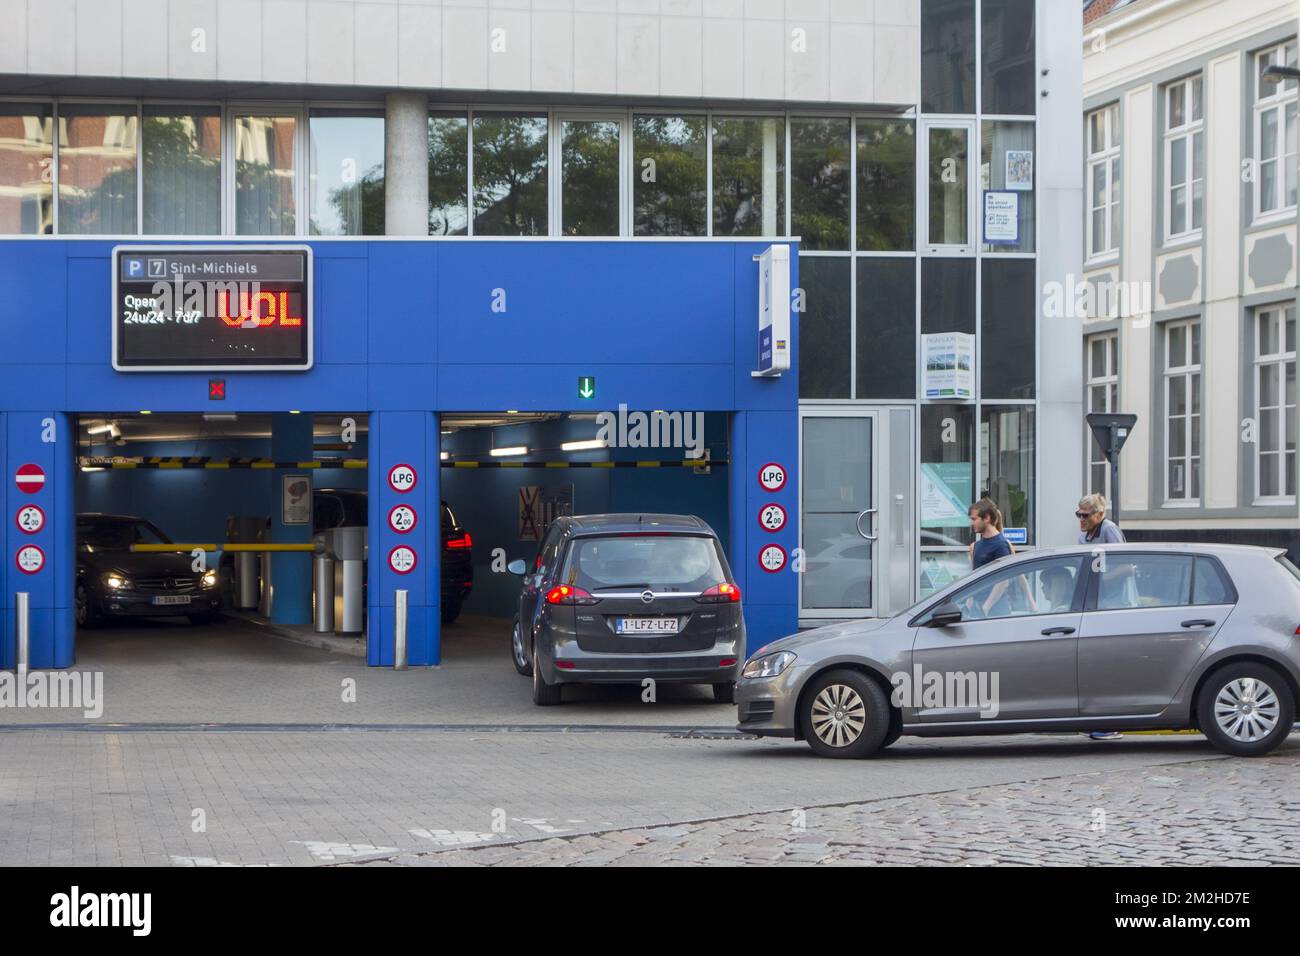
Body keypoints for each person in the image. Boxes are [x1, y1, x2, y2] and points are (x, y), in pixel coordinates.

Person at [1075, 492, 1126, 740]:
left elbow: (1126, 566)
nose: (1081, 519)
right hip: (1095, 605)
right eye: (1079, 514)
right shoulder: (1085, 535)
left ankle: (1110, 722)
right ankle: (1097, 718)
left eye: (1085, 515)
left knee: (1107, 662)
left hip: (1113, 604)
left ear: (1100, 514)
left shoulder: (1109, 530)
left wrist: (1100, 580)